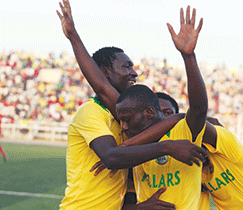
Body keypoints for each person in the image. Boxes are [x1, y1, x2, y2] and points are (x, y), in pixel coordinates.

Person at [57, 1, 206, 209]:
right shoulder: (91, 112)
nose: (134, 73)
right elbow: (111, 156)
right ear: (105, 71)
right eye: (127, 66)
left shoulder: (126, 117)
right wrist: (73, 35)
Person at [156, 92, 243, 209]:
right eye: (158, 112)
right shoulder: (183, 160)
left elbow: (199, 116)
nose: (163, 119)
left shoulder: (222, 145)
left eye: (168, 113)